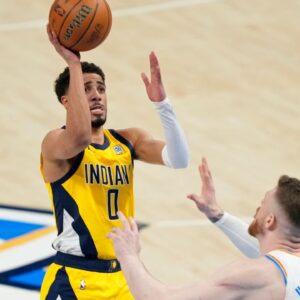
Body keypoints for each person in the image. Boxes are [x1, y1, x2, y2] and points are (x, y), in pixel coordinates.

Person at [40, 25, 189, 300]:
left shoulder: (127, 141)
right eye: (86, 89)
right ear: (67, 101)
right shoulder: (55, 143)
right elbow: (81, 136)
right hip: (75, 278)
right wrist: (73, 62)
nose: (96, 95)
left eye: (101, 88)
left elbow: (179, 160)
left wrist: (163, 105)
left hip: (122, 277)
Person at [108, 158, 300, 300]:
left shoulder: (253, 275)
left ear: (269, 221)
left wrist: (128, 256)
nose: (257, 210)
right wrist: (218, 216)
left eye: (262, 205)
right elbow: (273, 253)